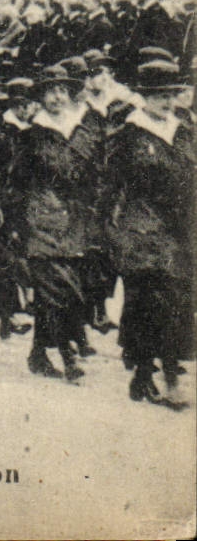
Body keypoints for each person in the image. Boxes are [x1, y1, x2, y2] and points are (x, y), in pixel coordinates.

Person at [103, 57, 194, 409]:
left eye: (170, 94)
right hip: (141, 227)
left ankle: (150, 375)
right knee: (149, 301)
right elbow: (110, 187)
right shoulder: (128, 135)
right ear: (143, 96)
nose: (166, 102)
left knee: (174, 303)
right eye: (158, 96)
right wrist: (112, 230)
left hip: (179, 229)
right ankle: (157, 376)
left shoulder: (184, 131)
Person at [4, 63, 104, 383]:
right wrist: (17, 224)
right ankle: (68, 355)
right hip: (42, 219)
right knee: (59, 289)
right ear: (41, 98)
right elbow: (15, 184)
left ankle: (37, 353)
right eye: (50, 92)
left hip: (76, 220)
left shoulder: (86, 130)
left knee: (61, 291)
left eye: (62, 91)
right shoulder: (30, 136)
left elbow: (98, 174)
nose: (57, 97)